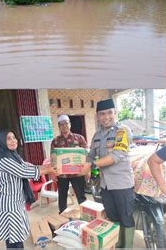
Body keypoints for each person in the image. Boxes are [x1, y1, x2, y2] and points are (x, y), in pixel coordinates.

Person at [82, 99, 135, 249]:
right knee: (112, 216)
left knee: (126, 217)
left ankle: (127, 246)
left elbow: (116, 156)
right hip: (105, 185)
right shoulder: (97, 136)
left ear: (115, 113)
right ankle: (116, 244)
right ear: (97, 116)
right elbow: (91, 154)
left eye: (109, 113)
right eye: (102, 114)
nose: (106, 117)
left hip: (122, 184)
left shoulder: (123, 131)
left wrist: (92, 165)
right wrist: (83, 169)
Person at [0, 131, 57, 248]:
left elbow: (28, 166)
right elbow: (24, 172)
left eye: (14, 137)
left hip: (16, 201)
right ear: (2, 142)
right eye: (9, 139)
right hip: (9, 205)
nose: (13, 141)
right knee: (13, 239)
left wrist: (47, 166)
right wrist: (49, 170)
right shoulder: (4, 160)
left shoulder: (14, 156)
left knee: (17, 235)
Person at [50, 115, 88, 214]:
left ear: (70, 124)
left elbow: (86, 155)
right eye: (61, 124)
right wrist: (53, 173)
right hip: (62, 175)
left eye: (66, 123)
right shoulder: (55, 141)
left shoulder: (79, 138)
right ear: (58, 126)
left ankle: (86, 215)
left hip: (77, 173)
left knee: (81, 196)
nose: (64, 126)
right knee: (62, 197)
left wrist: (87, 171)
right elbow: (53, 159)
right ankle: (62, 216)